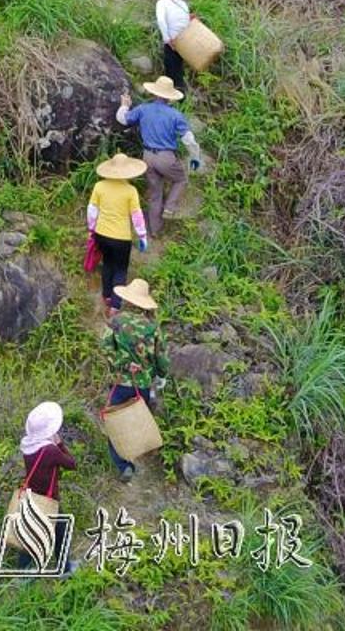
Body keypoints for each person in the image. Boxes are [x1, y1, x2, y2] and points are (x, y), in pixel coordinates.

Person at [117, 77, 201, 237]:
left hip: (147, 156)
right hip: (166, 157)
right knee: (181, 179)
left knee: (155, 193)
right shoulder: (175, 115)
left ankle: (155, 231)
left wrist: (124, 106)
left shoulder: (143, 109)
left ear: (154, 93)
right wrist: (195, 157)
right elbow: (188, 139)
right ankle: (170, 207)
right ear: (170, 97)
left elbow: (122, 119)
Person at [103, 278, 168, 482]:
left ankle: (124, 465)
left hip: (121, 381)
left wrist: (122, 363)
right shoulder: (153, 327)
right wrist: (162, 375)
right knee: (136, 421)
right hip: (144, 384)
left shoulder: (116, 321)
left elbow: (106, 348)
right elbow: (161, 357)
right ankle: (135, 455)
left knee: (116, 424)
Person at [5, 401, 77, 575]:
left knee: (31, 534)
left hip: (32, 497)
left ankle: (24, 572)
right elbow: (72, 464)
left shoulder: (28, 445)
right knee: (60, 532)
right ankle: (64, 569)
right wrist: (59, 444)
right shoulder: (50, 450)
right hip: (48, 500)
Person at [87, 153, 148, 318]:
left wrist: (91, 229)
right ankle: (115, 305)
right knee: (120, 270)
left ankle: (106, 295)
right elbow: (136, 215)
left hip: (101, 233)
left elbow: (92, 210)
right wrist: (142, 235)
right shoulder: (130, 191)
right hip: (121, 238)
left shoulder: (99, 187)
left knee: (107, 264)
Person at [153, 0, 191, 95]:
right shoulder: (183, 5)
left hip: (172, 41)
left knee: (171, 70)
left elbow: (161, 21)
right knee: (178, 69)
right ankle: (181, 95)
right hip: (185, 41)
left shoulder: (162, 3)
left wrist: (167, 39)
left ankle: (172, 97)